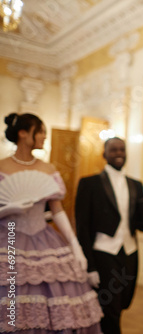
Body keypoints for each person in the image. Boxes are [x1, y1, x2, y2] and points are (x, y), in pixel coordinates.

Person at [0, 113, 102, 333]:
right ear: (23, 133)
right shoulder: (2, 167)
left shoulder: (48, 169)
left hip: (44, 238)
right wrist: (9, 210)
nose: (45, 136)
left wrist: (76, 247)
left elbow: (57, 210)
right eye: (41, 131)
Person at [75, 137, 143, 334]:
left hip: (130, 252)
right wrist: (89, 267)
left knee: (124, 301)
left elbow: (139, 223)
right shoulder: (89, 183)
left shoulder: (136, 185)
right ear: (104, 154)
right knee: (111, 308)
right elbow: (82, 227)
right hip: (103, 252)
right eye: (114, 149)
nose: (119, 153)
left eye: (122, 149)